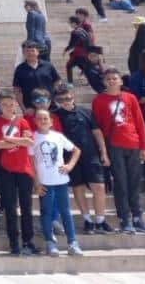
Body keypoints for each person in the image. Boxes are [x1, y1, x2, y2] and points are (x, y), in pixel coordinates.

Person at [92, 69, 145, 235]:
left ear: (121, 81)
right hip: (114, 145)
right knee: (120, 182)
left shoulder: (130, 98)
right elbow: (97, 126)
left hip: (133, 143)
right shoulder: (99, 100)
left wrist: (144, 146)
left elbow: (140, 122)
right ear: (104, 82)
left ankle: (137, 217)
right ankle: (124, 219)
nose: (112, 81)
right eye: (108, 79)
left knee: (134, 182)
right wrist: (103, 151)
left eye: (115, 78)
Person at [53, 85, 114, 234]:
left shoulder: (85, 112)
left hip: (91, 155)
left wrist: (104, 153)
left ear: (72, 96)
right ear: (56, 101)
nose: (65, 101)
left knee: (99, 187)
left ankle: (100, 220)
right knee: (78, 188)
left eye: (68, 98)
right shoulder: (54, 115)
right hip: (70, 159)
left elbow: (97, 133)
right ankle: (87, 219)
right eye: (61, 99)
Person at [29, 109, 83, 257]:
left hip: (61, 180)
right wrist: (36, 183)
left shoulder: (58, 136)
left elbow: (76, 151)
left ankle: (72, 243)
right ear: (35, 121)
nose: (43, 121)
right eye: (39, 118)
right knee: (46, 212)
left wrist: (69, 166)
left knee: (65, 211)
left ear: (51, 121)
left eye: (46, 118)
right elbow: (31, 162)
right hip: (45, 181)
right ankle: (49, 242)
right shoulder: (32, 138)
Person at [0, 92, 39, 255]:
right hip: (6, 170)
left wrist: (9, 139)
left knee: (27, 207)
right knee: (10, 208)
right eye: (4, 104)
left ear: (15, 105)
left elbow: (30, 142)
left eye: (11, 104)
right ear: (0, 106)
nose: (8, 107)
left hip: (24, 169)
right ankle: (14, 241)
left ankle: (28, 240)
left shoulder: (22, 121)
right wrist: (19, 140)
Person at [12, 41, 61, 114]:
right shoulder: (20, 69)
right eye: (27, 51)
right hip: (31, 109)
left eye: (32, 50)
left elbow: (57, 81)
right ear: (23, 53)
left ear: (37, 52)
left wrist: (53, 97)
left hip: (50, 106)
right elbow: (17, 90)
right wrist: (23, 108)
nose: (30, 53)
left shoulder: (48, 66)